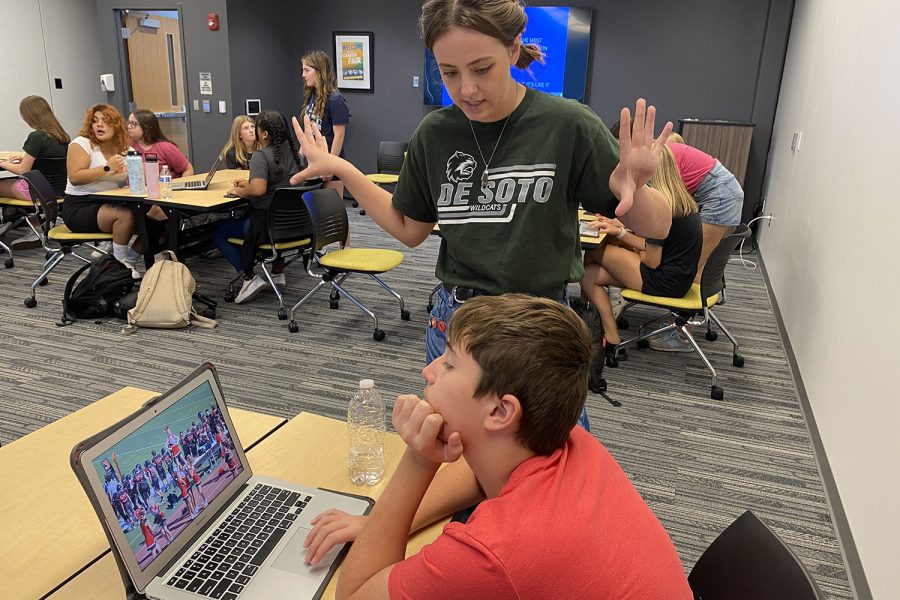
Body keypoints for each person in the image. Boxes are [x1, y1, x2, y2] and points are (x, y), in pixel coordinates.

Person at [291, 0, 673, 373]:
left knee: (550, 438)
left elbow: (658, 227)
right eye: (450, 73)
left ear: (512, 49)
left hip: (539, 322)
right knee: (452, 438)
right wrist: (343, 168)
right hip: (458, 321)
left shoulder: (569, 124)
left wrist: (635, 189)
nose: (467, 90)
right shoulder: (435, 133)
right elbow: (409, 230)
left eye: (482, 68)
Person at [303, 295, 692, 598]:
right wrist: (377, 526)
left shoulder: (494, 551)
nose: (429, 370)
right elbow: (475, 475)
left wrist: (418, 460)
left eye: (450, 364)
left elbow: (354, 595)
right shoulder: (568, 438)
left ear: (501, 410)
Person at [580, 145, 702, 358]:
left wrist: (620, 234)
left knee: (597, 251)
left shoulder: (662, 210)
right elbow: (653, 244)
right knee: (588, 275)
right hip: (679, 278)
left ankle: (596, 324)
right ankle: (610, 335)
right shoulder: (681, 201)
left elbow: (651, 259)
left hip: (664, 280)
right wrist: (620, 230)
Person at [211, 110, 299, 304]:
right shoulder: (293, 152)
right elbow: (276, 184)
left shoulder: (261, 156)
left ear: (264, 134)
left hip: (267, 227)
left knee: (218, 232)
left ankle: (248, 277)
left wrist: (239, 191)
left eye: (255, 127)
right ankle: (277, 272)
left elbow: (259, 191)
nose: (254, 131)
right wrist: (249, 184)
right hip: (293, 225)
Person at [62, 104, 148, 277]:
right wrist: (107, 167)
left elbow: (140, 179)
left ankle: (130, 259)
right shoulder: (82, 144)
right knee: (125, 215)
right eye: (95, 121)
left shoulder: (125, 151)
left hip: (110, 202)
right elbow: (75, 177)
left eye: (105, 121)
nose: (99, 125)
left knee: (157, 215)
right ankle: (118, 264)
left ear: (116, 125)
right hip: (80, 206)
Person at [0, 96, 70, 247]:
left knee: (6, 184)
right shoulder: (62, 136)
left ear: (30, 116)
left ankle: (26, 226)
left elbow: (23, 170)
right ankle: (19, 223)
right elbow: (43, 163)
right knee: (13, 183)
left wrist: (3, 163)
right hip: (57, 190)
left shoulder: (36, 137)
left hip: (36, 191)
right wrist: (22, 158)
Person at [299, 50, 350, 196]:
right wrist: (298, 159)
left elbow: (339, 136)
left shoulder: (335, 99)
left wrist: (330, 165)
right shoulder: (312, 96)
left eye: (307, 70)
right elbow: (307, 133)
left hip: (330, 162)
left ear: (319, 71)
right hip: (313, 162)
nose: (303, 75)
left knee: (331, 215)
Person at [127, 109, 194, 178]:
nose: (128, 126)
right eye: (128, 123)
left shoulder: (166, 147)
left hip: (163, 187)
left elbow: (188, 169)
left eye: (133, 124)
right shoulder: (129, 146)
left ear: (146, 127)